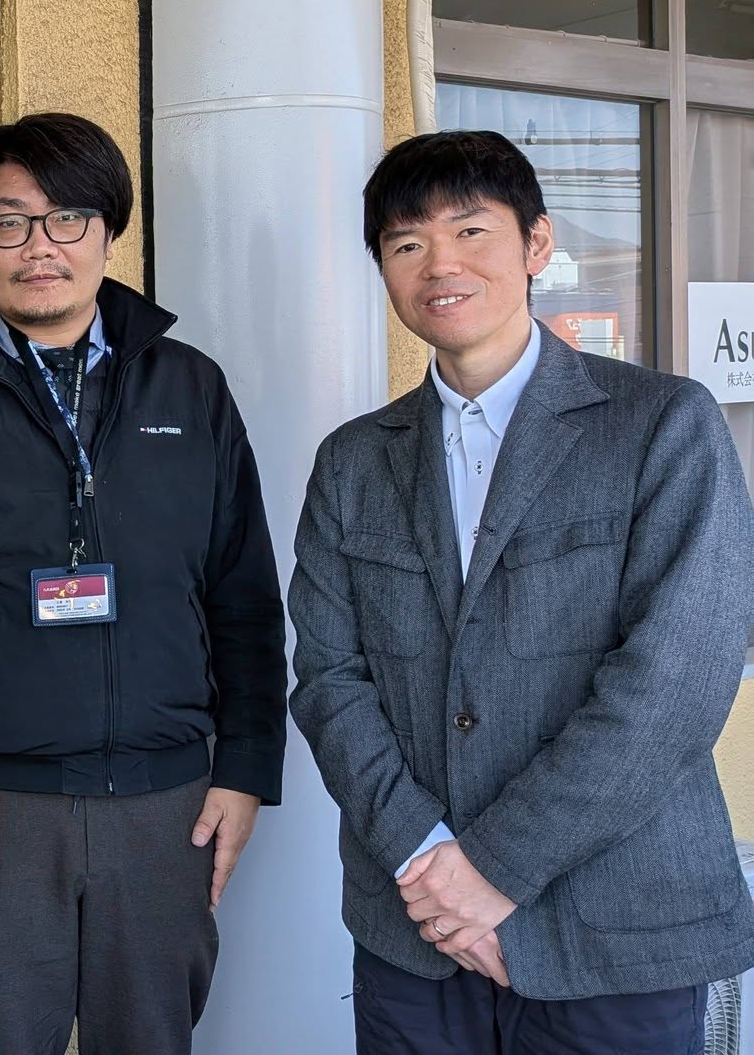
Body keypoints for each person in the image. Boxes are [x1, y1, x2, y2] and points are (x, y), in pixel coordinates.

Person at [289, 129, 754, 1054]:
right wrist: (430, 863)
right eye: (407, 243)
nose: (440, 265)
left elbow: (674, 685)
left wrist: (492, 871)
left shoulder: (661, 424)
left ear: (537, 244)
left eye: (471, 231)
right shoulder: (353, 461)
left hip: (614, 928)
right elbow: (330, 681)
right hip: (416, 934)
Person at [0, 111, 288, 1053]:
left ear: (108, 231)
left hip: (168, 804)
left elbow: (245, 597)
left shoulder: (191, 389)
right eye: (9, 223)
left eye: (67, 219)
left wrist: (247, 769)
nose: (39, 247)